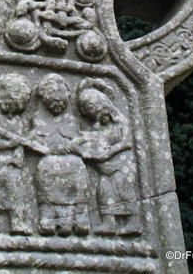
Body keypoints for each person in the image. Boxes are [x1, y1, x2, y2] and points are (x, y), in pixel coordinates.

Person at [74, 78, 140, 236]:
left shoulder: (120, 122)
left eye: (96, 107)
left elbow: (128, 142)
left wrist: (110, 152)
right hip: (106, 167)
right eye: (90, 112)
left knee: (122, 185)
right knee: (104, 188)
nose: (95, 115)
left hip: (122, 162)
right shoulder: (98, 128)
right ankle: (109, 222)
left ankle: (133, 222)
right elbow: (94, 140)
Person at [30, 73, 91, 235]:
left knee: (78, 168)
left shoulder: (73, 121)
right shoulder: (38, 119)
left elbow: (84, 144)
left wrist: (74, 147)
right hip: (49, 163)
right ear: (44, 99)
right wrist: (47, 147)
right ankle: (48, 216)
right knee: (46, 167)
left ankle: (79, 217)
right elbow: (34, 141)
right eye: (52, 99)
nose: (57, 104)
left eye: (61, 99)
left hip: (73, 163)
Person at [0, 73, 35, 234]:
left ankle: (8, 222)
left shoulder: (16, 119)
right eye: (12, 104)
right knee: (0, 190)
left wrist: (18, 150)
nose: (14, 110)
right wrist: (14, 143)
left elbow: (19, 141)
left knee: (12, 191)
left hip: (13, 162)